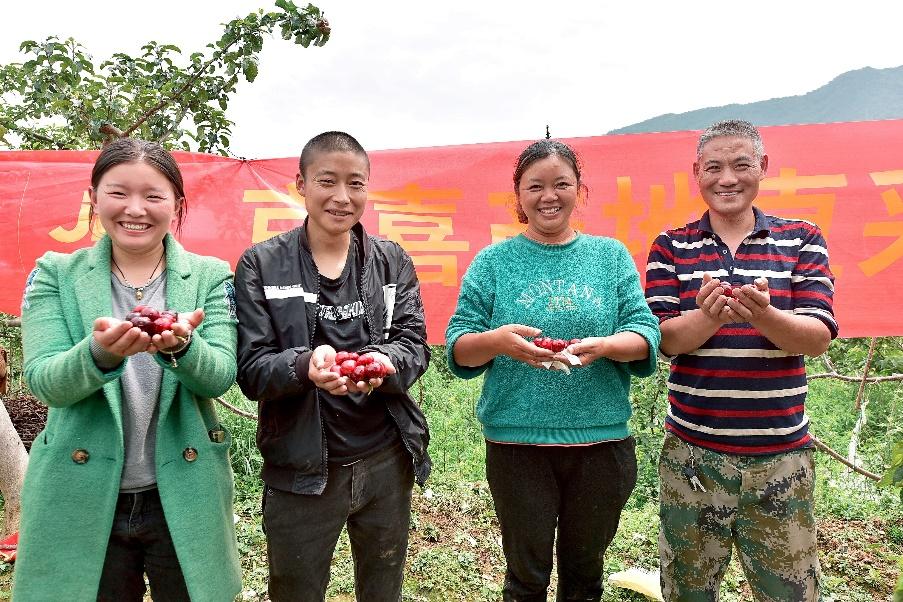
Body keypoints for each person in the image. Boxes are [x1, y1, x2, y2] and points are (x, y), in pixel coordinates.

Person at [14, 138, 241, 601]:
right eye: (118, 192)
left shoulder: (210, 276)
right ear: (93, 197)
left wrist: (183, 348)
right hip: (81, 491)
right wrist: (98, 355)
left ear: (176, 204)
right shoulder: (54, 274)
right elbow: (43, 381)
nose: (135, 209)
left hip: (181, 490)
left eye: (153, 196)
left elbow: (220, 374)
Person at [445, 139, 661, 601]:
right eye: (535, 186)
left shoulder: (610, 256)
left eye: (562, 184)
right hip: (517, 445)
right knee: (526, 576)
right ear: (518, 195)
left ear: (579, 190)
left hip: (600, 443)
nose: (549, 196)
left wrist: (605, 346)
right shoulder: (493, 262)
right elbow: (460, 346)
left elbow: (645, 334)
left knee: (585, 574)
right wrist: (496, 342)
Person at [644, 119, 838, 601]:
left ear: (763, 168)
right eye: (714, 167)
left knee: (789, 593)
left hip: (781, 459)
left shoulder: (802, 238)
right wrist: (709, 318)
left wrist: (764, 315)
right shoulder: (670, 245)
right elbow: (663, 339)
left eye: (740, 165)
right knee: (688, 592)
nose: (727, 178)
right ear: (697, 173)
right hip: (693, 456)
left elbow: (816, 337)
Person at [234, 131, 431, 601]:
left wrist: (385, 362)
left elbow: (415, 344)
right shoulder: (261, 265)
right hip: (302, 469)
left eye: (356, 184)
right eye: (328, 181)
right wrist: (305, 366)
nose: (343, 198)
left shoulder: (391, 260)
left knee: (383, 587)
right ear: (301, 184)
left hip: (386, 458)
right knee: (296, 589)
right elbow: (252, 369)